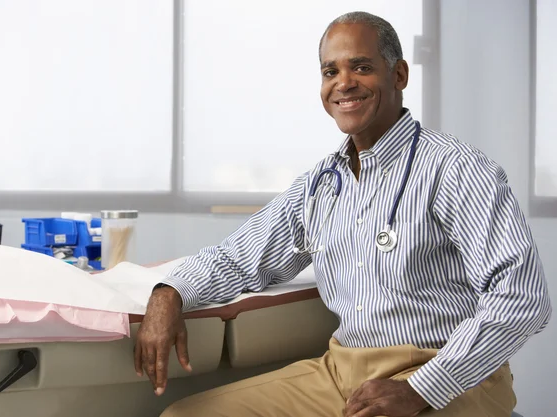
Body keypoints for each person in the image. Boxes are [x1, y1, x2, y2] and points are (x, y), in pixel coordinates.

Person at [134, 11, 552, 417]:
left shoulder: (457, 169)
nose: (343, 83)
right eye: (330, 71)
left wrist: (421, 388)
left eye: (362, 67)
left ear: (399, 75)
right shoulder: (319, 186)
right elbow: (238, 259)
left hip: (450, 375)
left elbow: (523, 298)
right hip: (342, 374)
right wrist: (168, 293)